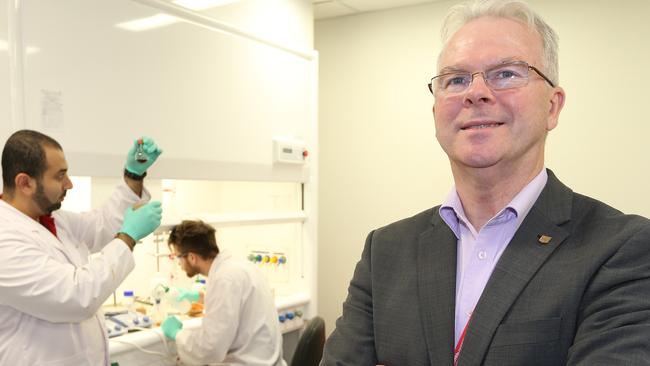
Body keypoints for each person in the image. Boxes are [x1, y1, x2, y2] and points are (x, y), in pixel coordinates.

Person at [320, 1, 650, 365]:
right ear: (436, 113)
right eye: (456, 79)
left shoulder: (623, 250)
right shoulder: (384, 252)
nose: (475, 93)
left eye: (506, 73)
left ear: (552, 107)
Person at [0, 130, 163, 366]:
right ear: (25, 183)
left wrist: (133, 175)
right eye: (60, 176)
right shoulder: (5, 238)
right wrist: (128, 236)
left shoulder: (52, 219)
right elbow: (75, 296)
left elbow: (104, 225)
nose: (69, 184)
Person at [161, 220, 287, 366]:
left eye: (178, 257)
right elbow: (235, 302)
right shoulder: (238, 266)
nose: (178, 263)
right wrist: (199, 297)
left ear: (192, 257)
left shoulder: (224, 279)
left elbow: (210, 349)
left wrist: (177, 334)